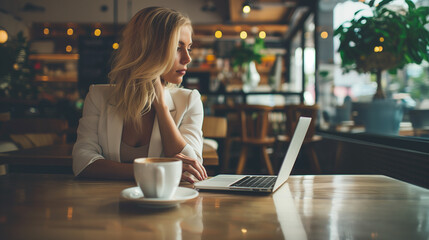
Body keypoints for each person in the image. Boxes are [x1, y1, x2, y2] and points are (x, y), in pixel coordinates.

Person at [72, 7, 207, 183]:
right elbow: (82, 163)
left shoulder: (190, 100)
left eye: (188, 47)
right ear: (149, 49)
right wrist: (153, 169)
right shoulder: (98, 96)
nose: (188, 58)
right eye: (177, 48)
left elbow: (191, 172)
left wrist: (162, 108)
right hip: (104, 204)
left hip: (165, 206)